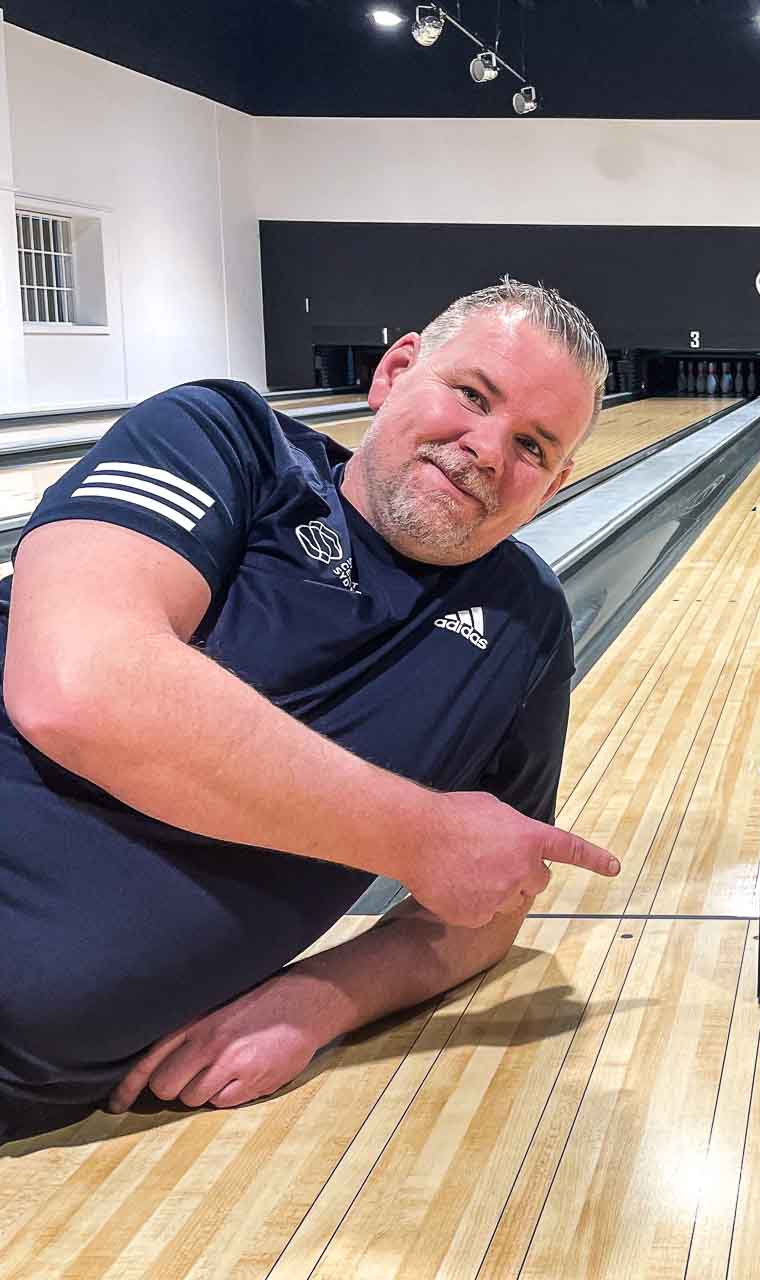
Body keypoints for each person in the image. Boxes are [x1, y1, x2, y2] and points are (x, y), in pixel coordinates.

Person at [0, 278, 621, 1145]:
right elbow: (79, 687)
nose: (486, 448)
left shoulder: (525, 626)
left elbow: (488, 901)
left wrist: (322, 998)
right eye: (472, 395)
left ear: (552, 486)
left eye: (532, 445)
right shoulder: (223, 440)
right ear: (395, 371)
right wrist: (421, 836)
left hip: (58, 1107)